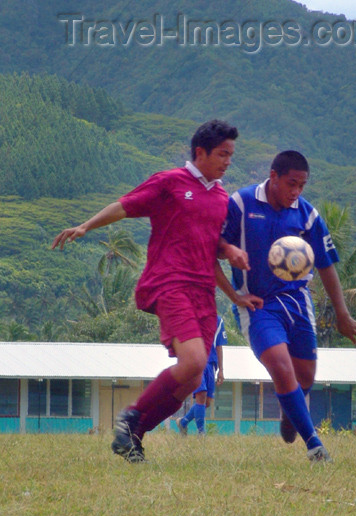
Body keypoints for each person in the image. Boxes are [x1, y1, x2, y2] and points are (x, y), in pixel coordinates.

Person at [52, 119, 260, 462]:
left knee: (193, 378)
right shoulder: (170, 182)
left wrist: (232, 277)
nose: (228, 161)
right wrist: (86, 225)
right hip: (169, 281)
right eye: (223, 154)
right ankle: (131, 414)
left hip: (203, 293)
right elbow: (125, 205)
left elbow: (211, 252)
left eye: (231, 155)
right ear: (200, 152)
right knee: (193, 360)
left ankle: (133, 436)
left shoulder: (221, 196)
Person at [217, 150, 356, 463]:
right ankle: (315, 445)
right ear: (273, 177)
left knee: (305, 378)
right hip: (258, 305)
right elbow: (214, 246)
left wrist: (342, 314)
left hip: (297, 302)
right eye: (291, 183)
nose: (296, 191)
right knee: (281, 368)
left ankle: (291, 414)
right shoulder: (242, 203)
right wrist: (231, 261)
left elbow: (326, 266)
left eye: (302, 185)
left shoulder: (307, 215)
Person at [176, 315, 227, 435]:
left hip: (211, 364)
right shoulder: (191, 317)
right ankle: (201, 433)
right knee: (201, 394)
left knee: (206, 402)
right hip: (196, 361)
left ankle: (183, 422)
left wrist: (221, 369)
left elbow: (219, 346)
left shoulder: (218, 321)